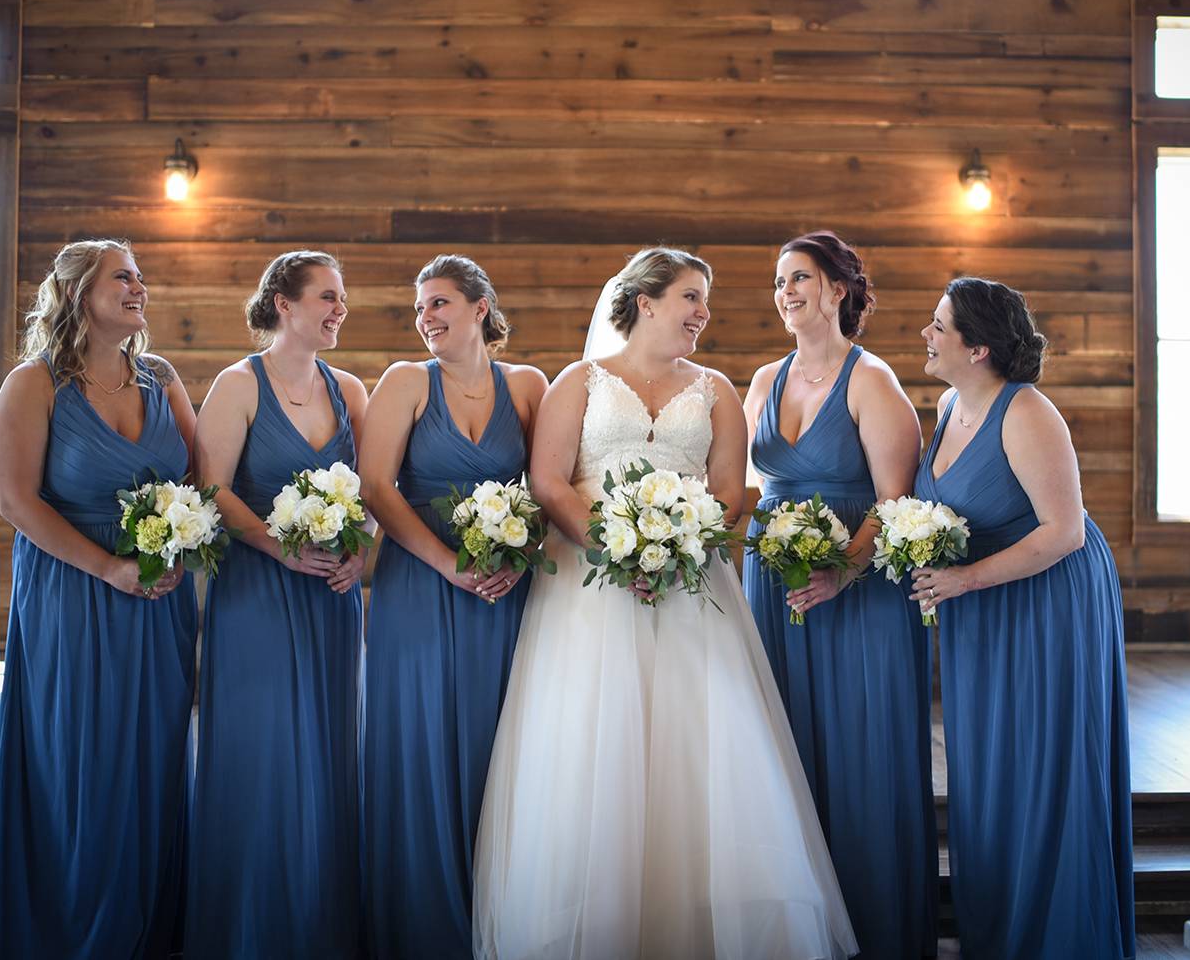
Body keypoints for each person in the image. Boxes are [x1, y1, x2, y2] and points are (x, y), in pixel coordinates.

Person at [473, 247, 857, 960]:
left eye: (704, 300)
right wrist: (611, 550)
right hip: (587, 593)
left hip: (690, 589)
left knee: (700, 743)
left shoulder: (715, 389)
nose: (701, 313)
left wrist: (678, 549)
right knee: (592, 744)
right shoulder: (578, 382)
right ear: (644, 302)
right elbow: (550, 481)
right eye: (689, 296)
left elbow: (729, 495)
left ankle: (696, 923)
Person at [0, 240, 197, 959]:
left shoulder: (161, 378)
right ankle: (68, 935)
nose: (139, 287)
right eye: (121, 277)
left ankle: (144, 935)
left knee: (153, 766)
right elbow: (15, 500)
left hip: (158, 600)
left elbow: (202, 481)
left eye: (139, 276)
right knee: (79, 764)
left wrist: (183, 548)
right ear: (77, 295)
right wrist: (106, 567)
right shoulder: (33, 385)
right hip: (71, 594)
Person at [912, 277, 1135, 959]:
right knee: (990, 763)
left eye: (939, 324)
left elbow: (1064, 531)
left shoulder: (1029, 412)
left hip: (1047, 600)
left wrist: (964, 576)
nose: (927, 333)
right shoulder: (950, 404)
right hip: (980, 604)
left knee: (1044, 757)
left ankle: (1057, 934)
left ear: (978, 347)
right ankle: (1001, 931)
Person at [742, 232, 937, 958]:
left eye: (799, 278)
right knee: (780, 745)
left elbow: (896, 501)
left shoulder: (872, 382)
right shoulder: (763, 380)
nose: (786, 291)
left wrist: (840, 572)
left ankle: (874, 925)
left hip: (858, 592)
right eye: (779, 281)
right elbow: (744, 490)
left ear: (836, 291)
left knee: (862, 750)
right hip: (773, 586)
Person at [361, 255, 547, 959]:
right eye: (418, 309)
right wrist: (447, 565)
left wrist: (516, 557)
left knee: (502, 740)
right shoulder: (406, 382)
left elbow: (550, 483)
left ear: (479, 307)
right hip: (419, 586)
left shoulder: (527, 385)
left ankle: (500, 913)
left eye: (438, 303)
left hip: (504, 588)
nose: (426, 318)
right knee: (423, 740)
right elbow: (378, 487)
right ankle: (422, 922)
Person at [184, 250, 368, 958]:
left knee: (326, 752)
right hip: (257, 594)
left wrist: (361, 549)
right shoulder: (238, 385)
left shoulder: (349, 389)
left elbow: (372, 489)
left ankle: (318, 924)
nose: (338, 310)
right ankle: (248, 928)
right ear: (284, 305)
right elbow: (212, 489)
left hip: (330, 598)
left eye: (341, 299)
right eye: (326, 297)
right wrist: (274, 545)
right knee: (262, 753)